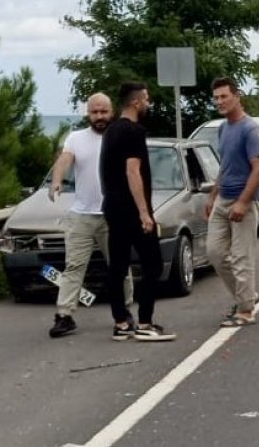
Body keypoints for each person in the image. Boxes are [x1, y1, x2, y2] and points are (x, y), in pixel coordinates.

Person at [47, 93, 134, 338]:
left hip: (113, 215)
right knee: (74, 266)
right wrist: (56, 181)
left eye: (103, 112)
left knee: (119, 266)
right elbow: (64, 160)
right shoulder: (76, 138)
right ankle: (64, 315)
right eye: (94, 112)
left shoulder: (120, 135)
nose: (99, 117)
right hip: (82, 215)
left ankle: (125, 311)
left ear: (112, 112)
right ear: (88, 113)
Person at [99, 81, 175, 342]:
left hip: (112, 206)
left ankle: (121, 322)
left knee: (118, 266)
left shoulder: (110, 131)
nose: (148, 103)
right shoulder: (134, 132)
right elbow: (133, 172)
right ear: (135, 102)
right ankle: (144, 321)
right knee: (152, 264)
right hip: (131, 210)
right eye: (146, 99)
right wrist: (144, 212)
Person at [206, 77, 259, 327]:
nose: (220, 101)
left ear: (236, 96)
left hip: (246, 201)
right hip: (223, 198)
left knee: (242, 257)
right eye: (216, 97)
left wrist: (242, 202)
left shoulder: (249, 129)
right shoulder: (223, 128)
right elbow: (225, 166)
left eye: (224, 96)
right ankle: (247, 295)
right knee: (215, 253)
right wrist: (213, 195)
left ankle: (245, 310)